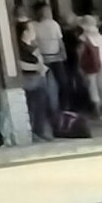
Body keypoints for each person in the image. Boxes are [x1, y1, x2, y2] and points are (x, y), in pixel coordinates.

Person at [20, 13, 66, 143]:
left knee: (42, 105)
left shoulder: (32, 46)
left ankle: (42, 129)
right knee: (32, 107)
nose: (34, 32)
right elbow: (19, 64)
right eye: (31, 29)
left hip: (39, 78)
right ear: (25, 32)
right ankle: (36, 131)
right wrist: (37, 68)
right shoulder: (21, 47)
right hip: (30, 79)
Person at [77, 16, 102, 119]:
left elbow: (80, 53)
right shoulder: (101, 37)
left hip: (90, 67)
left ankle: (98, 113)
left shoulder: (83, 38)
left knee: (93, 88)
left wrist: (79, 66)